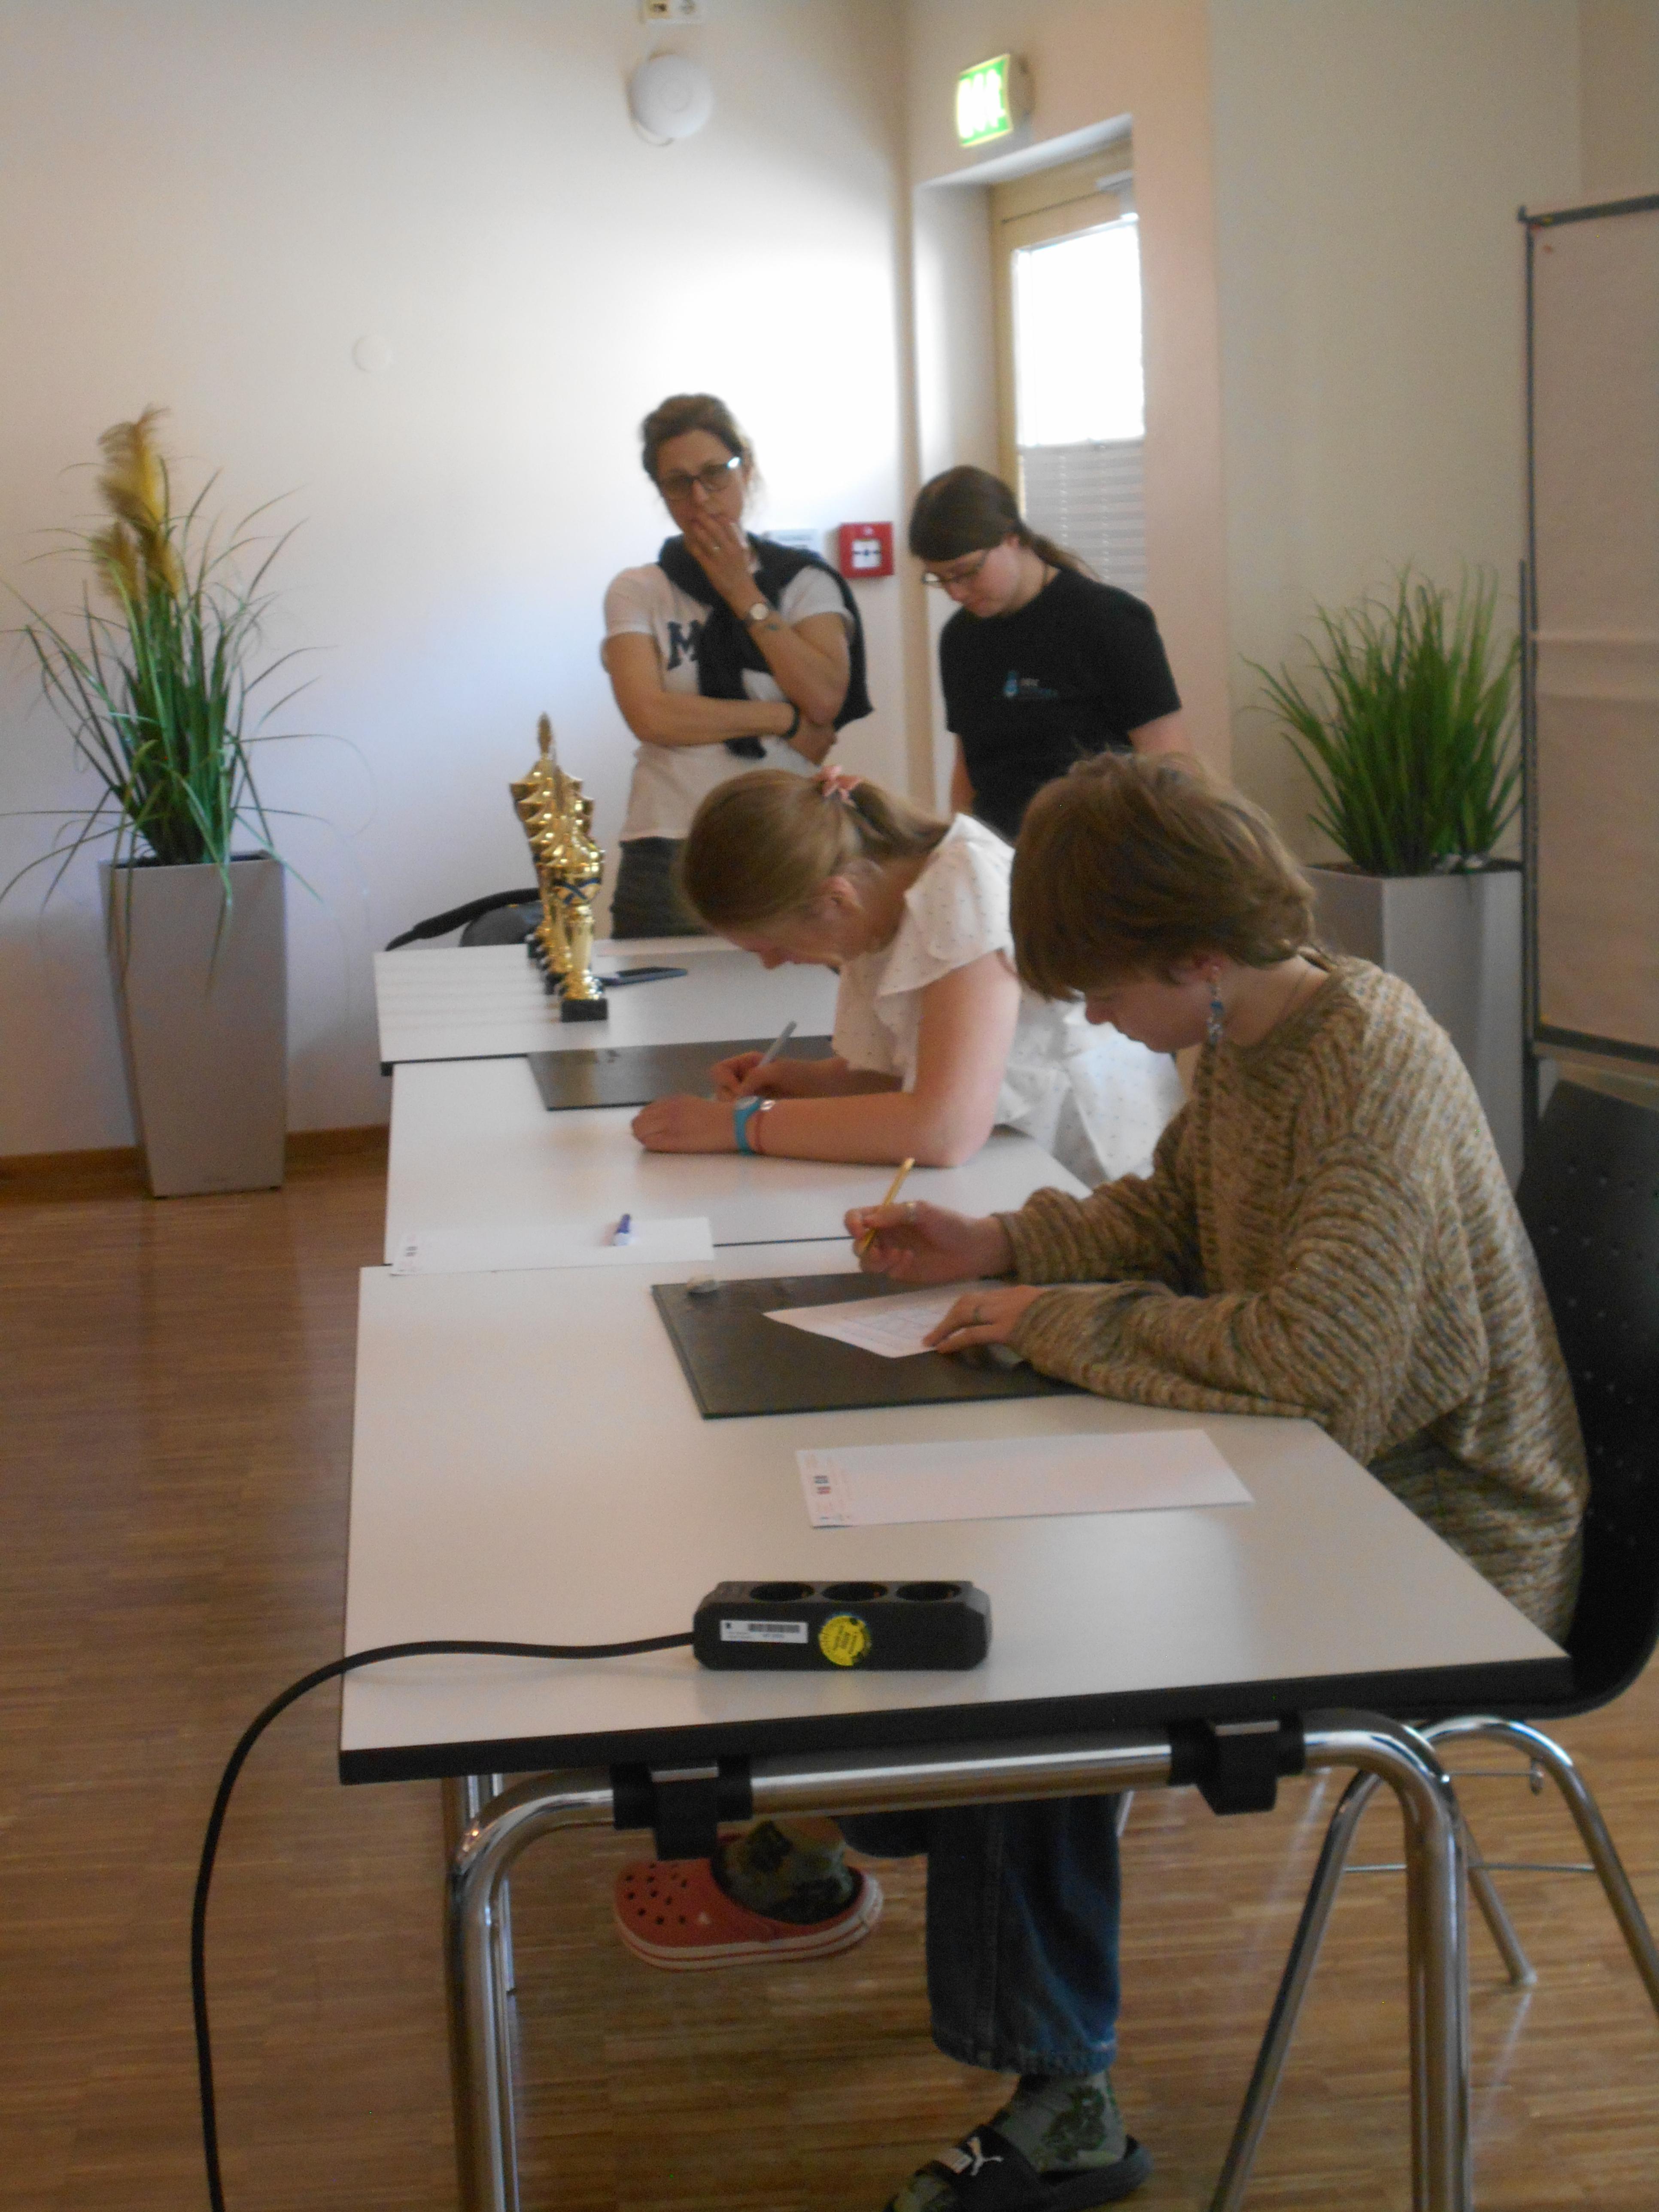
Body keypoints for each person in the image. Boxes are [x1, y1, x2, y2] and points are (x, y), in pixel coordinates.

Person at [621, 752, 1586, 2212]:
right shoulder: (1255, 1032)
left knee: (1040, 1655)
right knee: (995, 1578)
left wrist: (1056, 1317)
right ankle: (876, 1830)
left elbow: (1319, 1362)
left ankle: (1061, 2099)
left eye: (1105, 992)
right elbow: (1176, 1215)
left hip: (1443, 1540)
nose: (1090, 1020)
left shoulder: (1364, 1062)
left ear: (1196, 958)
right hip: (1335, 1483)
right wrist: (1002, 1245)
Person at [628, 765, 1183, 1187]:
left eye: (774, 946)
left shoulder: (962, 890)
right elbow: (903, 1076)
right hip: (1017, 1165)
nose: (773, 964)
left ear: (835, 900)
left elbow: (942, 1129)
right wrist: (804, 1083)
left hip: (1096, 1174)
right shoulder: (872, 903)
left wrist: (739, 1127)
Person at [601, 392, 872, 936]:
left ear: (745, 468)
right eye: (678, 483)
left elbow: (824, 699)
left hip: (784, 842)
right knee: (655, 992)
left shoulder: (804, 582)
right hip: (667, 843)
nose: (700, 497)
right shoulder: (638, 590)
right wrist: (782, 719)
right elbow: (650, 716)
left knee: (795, 990)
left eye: (714, 474)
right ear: (660, 491)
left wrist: (741, 591)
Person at [909, 465, 1185, 843]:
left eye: (966, 572)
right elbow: (968, 768)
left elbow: (1168, 764)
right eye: (940, 579)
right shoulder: (959, 639)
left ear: (1011, 538)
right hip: (1002, 853)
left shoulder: (1111, 620)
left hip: (1099, 848)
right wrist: (960, 847)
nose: (955, 593)